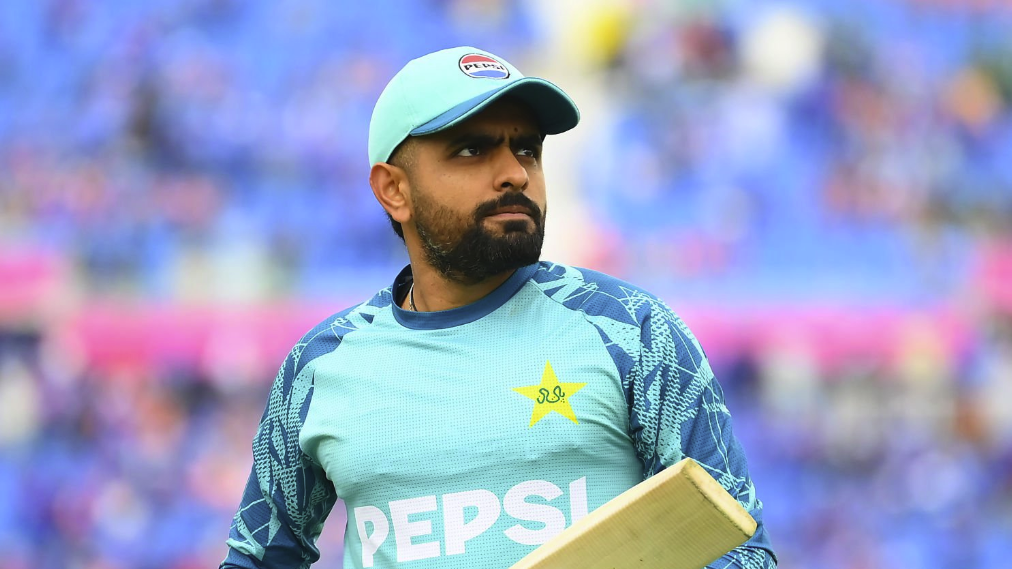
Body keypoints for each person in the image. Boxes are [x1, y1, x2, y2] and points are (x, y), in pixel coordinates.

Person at [220, 46, 777, 569]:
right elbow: (258, 557)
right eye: (472, 149)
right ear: (394, 190)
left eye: (527, 149)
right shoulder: (320, 368)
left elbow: (739, 546)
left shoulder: (632, 331)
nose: (515, 172)